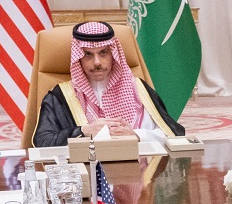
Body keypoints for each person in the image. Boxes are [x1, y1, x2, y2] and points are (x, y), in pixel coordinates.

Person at [32, 20, 185, 147]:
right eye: (88, 54)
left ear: (113, 54)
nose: (97, 62)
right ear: (78, 58)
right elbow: (42, 141)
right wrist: (84, 131)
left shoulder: (139, 90)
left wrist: (137, 135)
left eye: (103, 53)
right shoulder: (61, 96)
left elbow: (173, 135)